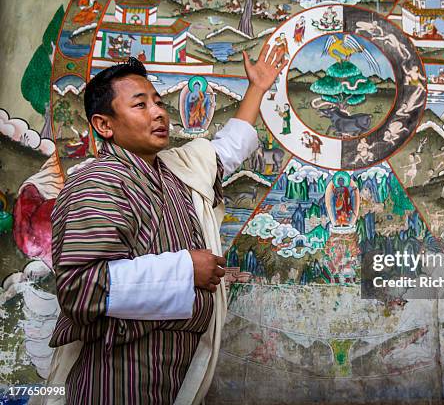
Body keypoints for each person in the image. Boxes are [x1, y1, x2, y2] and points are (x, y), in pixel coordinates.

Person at [45, 47, 287, 405]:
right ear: (104, 124)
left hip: (175, 375)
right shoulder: (97, 182)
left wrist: (257, 88)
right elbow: (81, 289)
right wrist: (186, 269)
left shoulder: (177, 171)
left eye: (158, 102)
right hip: (116, 379)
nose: (159, 112)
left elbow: (227, 150)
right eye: (141, 105)